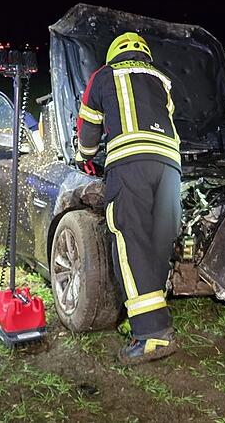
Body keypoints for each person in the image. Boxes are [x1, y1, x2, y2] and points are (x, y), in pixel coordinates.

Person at [75, 31, 182, 365]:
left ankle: (153, 336)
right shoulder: (162, 79)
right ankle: (145, 322)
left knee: (130, 240)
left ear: (113, 54)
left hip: (130, 164)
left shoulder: (104, 76)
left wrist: (84, 155)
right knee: (158, 241)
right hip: (169, 167)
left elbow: (89, 127)